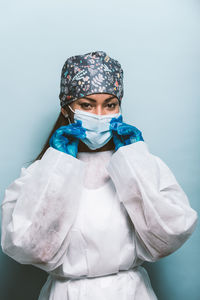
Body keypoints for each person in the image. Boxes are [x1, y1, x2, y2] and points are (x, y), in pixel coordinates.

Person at [1, 50, 198, 300]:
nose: (99, 115)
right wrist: (58, 166)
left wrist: (135, 161)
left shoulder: (143, 166)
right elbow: (25, 245)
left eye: (110, 105)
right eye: (87, 105)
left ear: (119, 107)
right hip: (67, 294)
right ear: (66, 109)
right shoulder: (40, 174)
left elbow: (171, 234)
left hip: (130, 293)